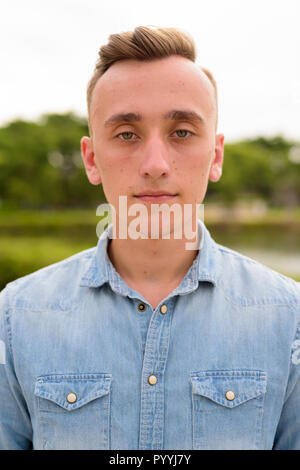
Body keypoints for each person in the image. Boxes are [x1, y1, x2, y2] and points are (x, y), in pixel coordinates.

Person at [0, 26, 299, 451]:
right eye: (127, 134)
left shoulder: (289, 319)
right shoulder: (16, 317)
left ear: (215, 156)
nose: (155, 164)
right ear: (91, 160)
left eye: (181, 132)